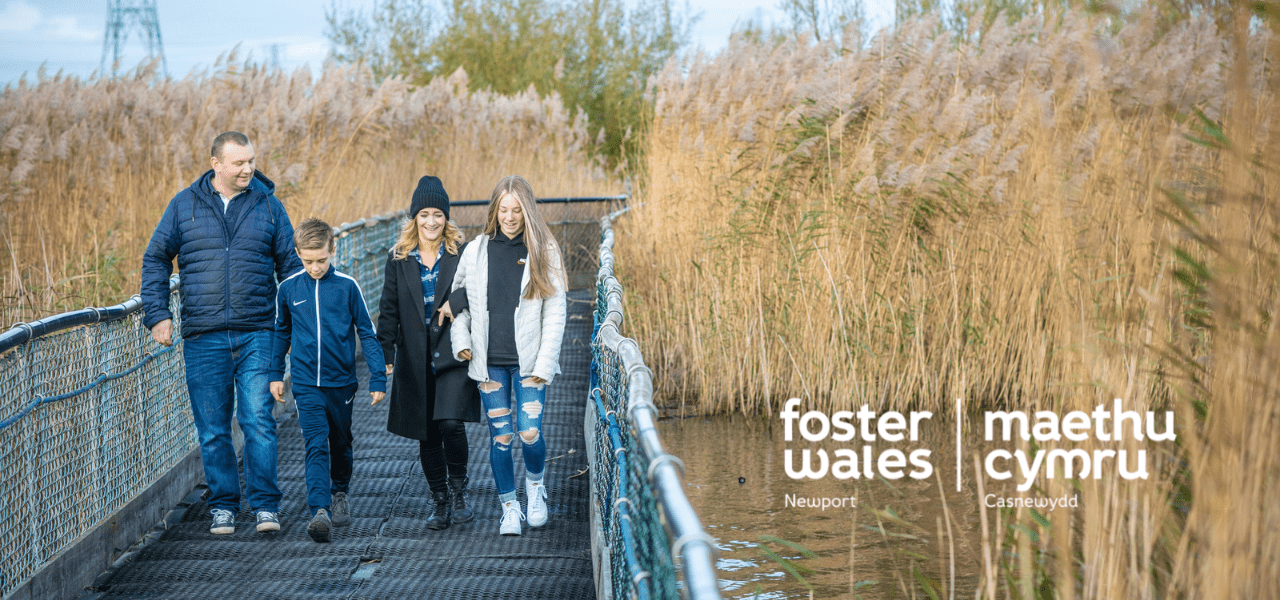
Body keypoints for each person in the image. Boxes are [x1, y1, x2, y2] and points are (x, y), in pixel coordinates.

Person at [141, 131, 302, 535]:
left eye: (251, 161)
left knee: (257, 421)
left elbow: (291, 267)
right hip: (203, 336)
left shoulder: (269, 205)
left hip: (258, 333)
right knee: (213, 429)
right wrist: (158, 315)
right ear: (217, 164)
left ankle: (265, 506)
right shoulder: (184, 205)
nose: (248, 168)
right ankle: (224, 506)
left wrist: (300, 321)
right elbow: (156, 258)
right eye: (239, 163)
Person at [450, 175, 567, 536]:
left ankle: (535, 489)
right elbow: (459, 302)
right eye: (504, 209)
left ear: (527, 210)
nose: (510, 217)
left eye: (517, 209)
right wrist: (461, 343)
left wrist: (546, 365)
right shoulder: (477, 250)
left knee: (529, 431)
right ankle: (509, 507)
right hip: (488, 362)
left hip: (530, 362)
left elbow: (557, 310)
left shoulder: (543, 249)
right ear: (495, 210)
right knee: (501, 436)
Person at [269, 218, 386, 543]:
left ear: (332, 251)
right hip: (306, 383)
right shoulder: (289, 288)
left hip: (342, 383)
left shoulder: (347, 287)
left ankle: (339, 491)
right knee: (316, 443)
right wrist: (275, 373)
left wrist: (378, 376)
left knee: (341, 442)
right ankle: (320, 509)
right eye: (308, 261)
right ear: (297, 254)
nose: (316, 267)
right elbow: (281, 332)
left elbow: (366, 330)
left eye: (321, 260)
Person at [377, 176, 480, 530]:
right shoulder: (399, 258)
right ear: (414, 218)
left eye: (438, 214)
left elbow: (478, 289)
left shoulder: (462, 253)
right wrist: (384, 355)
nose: (431, 222)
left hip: (453, 352)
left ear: (446, 218)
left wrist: (457, 299)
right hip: (414, 357)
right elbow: (388, 309)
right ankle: (439, 501)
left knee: (450, 423)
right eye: (424, 214)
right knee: (427, 431)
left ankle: (458, 490)